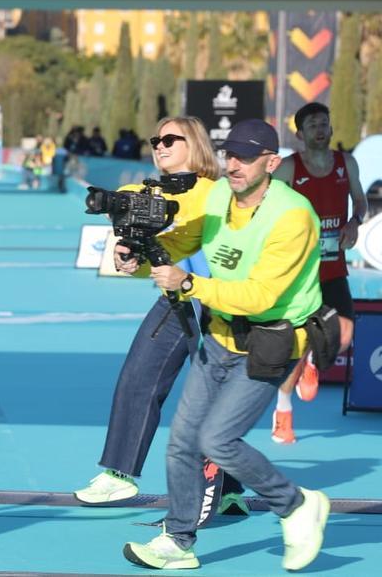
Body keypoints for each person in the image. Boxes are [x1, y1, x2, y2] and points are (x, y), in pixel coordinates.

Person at [123, 119, 330, 572]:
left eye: (245, 157)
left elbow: (261, 297)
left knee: (217, 440)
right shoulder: (220, 194)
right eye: (228, 154)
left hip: (271, 341)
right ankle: (178, 540)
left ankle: (296, 504)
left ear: (271, 163)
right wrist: (140, 256)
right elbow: (186, 238)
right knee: (182, 443)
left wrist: (190, 283)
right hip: (218, 336)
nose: (232, 165)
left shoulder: (294, 216)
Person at [74, 117, 222, 505]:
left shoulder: (215, 193)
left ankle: (228, 488)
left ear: (196, 144)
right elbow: (149, 247)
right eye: (156, 139)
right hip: (176, 300)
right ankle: (120, 473)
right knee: (138, 378)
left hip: (221, 302)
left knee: (217, 400)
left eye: (171, 138)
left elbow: (185, 239)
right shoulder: (145, 189)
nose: (160, 145)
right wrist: (129, 255)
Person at [269, 102, 368, 444]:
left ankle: (311, 359)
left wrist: (355, 223)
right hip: (299, 271)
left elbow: (361, 202)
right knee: (297, 340)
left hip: (334, 266)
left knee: (343, 335)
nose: (319, 129)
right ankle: (282, 412)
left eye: (323, 123)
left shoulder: (346, 163)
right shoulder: (287, 168)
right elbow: (264, 209)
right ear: (299, 134)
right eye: (312, 125)